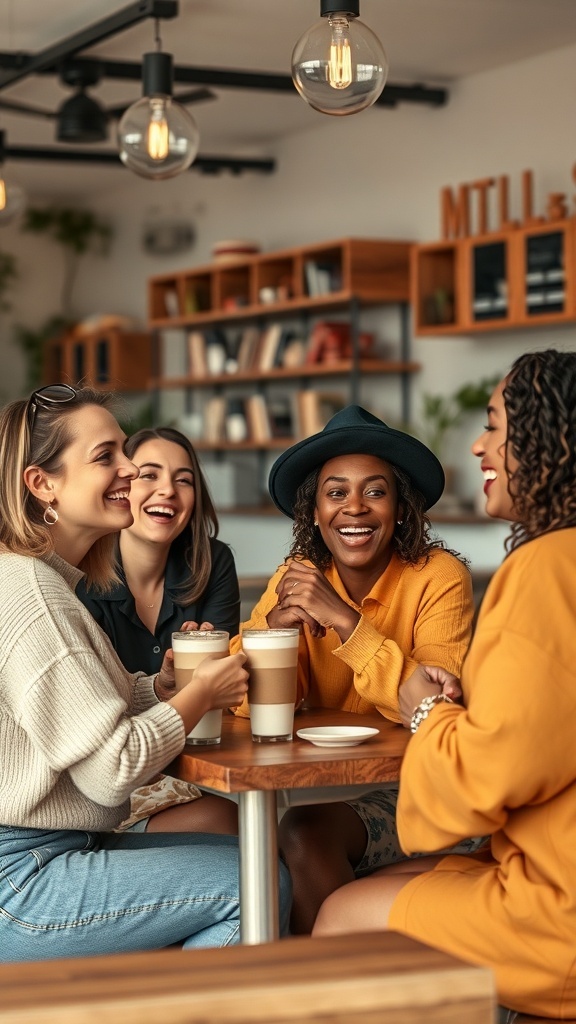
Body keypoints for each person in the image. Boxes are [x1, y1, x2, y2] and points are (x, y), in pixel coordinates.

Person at [313, 350, 576, 1021]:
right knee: (385, 874)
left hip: (559, 912)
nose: (478, 445)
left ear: (551, 440)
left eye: (494, 426)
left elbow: (491, 771)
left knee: (341, 914)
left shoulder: (544, 568)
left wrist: (426, 707)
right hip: (538, 862)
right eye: (335, 492)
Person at [0, 384, 291, 962]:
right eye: (106, 456)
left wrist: (152, 690)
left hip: (49, 851)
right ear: (42, 484)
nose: (132, 469)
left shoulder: (43, 580)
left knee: (250, 861)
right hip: (22, 879)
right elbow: (111, 772)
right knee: (254, 885)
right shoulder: (31, 591)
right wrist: (201, 692)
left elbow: (64, 720)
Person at [231, 404, 477, 934]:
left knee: (300, 834)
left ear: (401, 506)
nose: (355, 509)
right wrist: (277, 632)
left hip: (421, 792)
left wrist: (344, 621)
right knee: (265, 843)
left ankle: (336, 995)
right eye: (336, 492)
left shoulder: (438, 577)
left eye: (376, 491)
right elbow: (242, 701)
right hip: (314, 789)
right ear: (314, 512)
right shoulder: (294, 578)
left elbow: (434, 707)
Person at [77, 426, 241, 834]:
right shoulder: (76, 577)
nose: (168, 489)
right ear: (120, 487)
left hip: (186, 773)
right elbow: (94, 722)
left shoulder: (213, 562)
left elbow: (221, 697)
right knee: (241, 832)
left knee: (259, 831)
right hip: (101, 790)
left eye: (183, 480)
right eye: (149, 474)